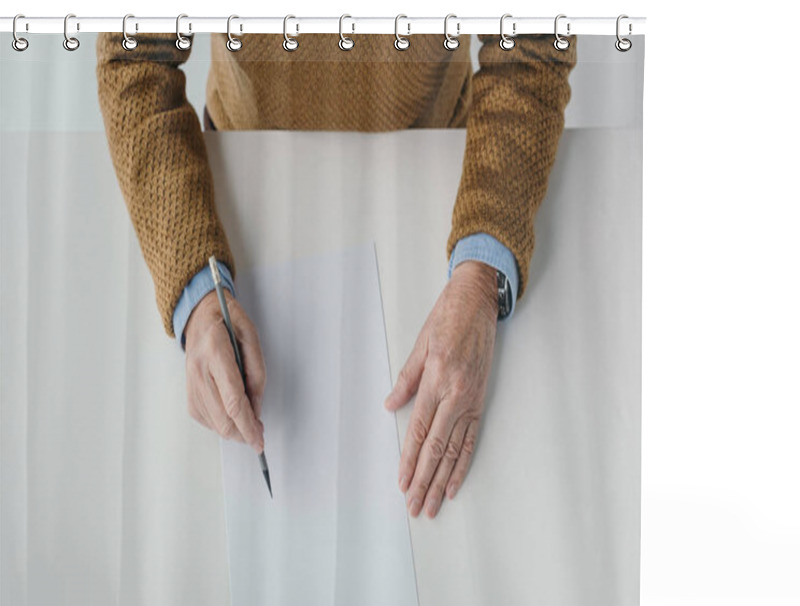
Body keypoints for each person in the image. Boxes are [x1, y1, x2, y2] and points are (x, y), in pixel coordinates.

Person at [96, 29, 576, 519]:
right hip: (247, 177)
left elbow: (535, 43)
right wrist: (194, 290)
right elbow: (133, 56)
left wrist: (481, 274)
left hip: (440, 168)